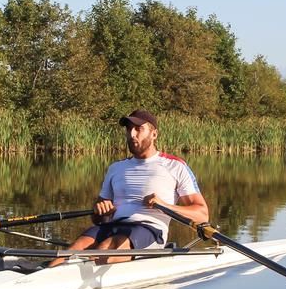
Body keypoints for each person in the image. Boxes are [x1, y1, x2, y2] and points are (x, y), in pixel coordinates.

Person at [49, 109, 209, 267]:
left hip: (149, 229)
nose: (132, 134)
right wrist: (101, 211)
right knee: (70, 252)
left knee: (103, 250)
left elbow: (202, 214)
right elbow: (98, 219)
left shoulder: (175, 166)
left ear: (154, 134)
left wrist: (165, 206)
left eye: (138, 129)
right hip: (112, 226)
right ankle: (46, 277)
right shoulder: (115, 168)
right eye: (128, 129)